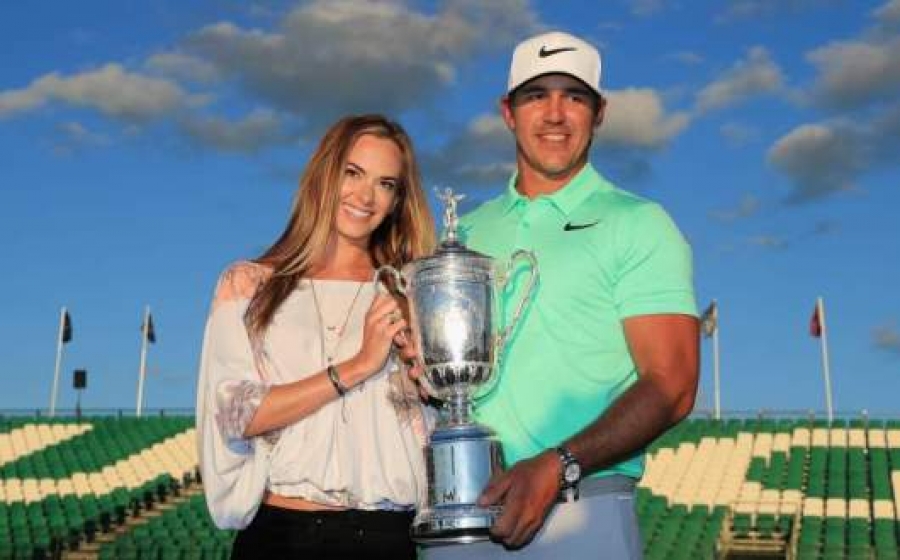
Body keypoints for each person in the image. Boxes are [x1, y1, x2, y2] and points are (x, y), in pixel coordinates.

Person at [425, 31, 699, 559]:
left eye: (574, 97)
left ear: (599, 113)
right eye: (536, 96)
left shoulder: (639, 223)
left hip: (582, 510)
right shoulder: (463, 234)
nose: (555, 114)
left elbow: (673, 384)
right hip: (462, 515)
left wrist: (559, 464)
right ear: (508, 112)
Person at [195, 114, 436, 559]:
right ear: (324, 174)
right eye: (352, 173)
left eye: (385, 184)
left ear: (398, 200)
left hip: (388, 536)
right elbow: (235, 414)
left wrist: (425, 378)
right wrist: (357, 366)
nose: (366, 196)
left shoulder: (412, 292)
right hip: (284, 534)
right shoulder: (251, 285)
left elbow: (438, 415)